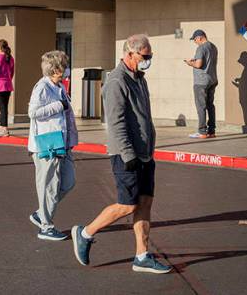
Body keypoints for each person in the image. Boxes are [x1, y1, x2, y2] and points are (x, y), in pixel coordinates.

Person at [71, 33, 172, 274]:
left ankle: (142, 256)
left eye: (150, 56)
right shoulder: (116, 82)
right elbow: (116, 123)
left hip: (145, 153)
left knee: (145, 202)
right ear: (129, 54)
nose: (148, 60)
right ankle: (85, 233)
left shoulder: (140, 79)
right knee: (127, 205)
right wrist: (129, 155)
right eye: (145, 56)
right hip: (126, 155)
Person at [28, 50, 78, 241]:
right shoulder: (42, 87)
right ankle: (46, 227)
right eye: (63, 66)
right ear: (55, 69)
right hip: (48, 145)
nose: (66, 69)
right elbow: (33, 112)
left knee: (68, 182)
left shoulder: (59, 86)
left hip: (63, 143)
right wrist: (57, 105)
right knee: (49, 185)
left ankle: (41, 213)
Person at [184, 29, 218, 138]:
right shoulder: (213, 47)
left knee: (201, 106)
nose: (195, 42)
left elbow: (198, 64)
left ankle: (202, 132)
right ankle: (211, 131)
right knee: (210, 106)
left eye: (195, 39)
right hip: (212, 79)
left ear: (200, 37)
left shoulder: (201, 48)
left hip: (201, 81)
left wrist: (190, 63)